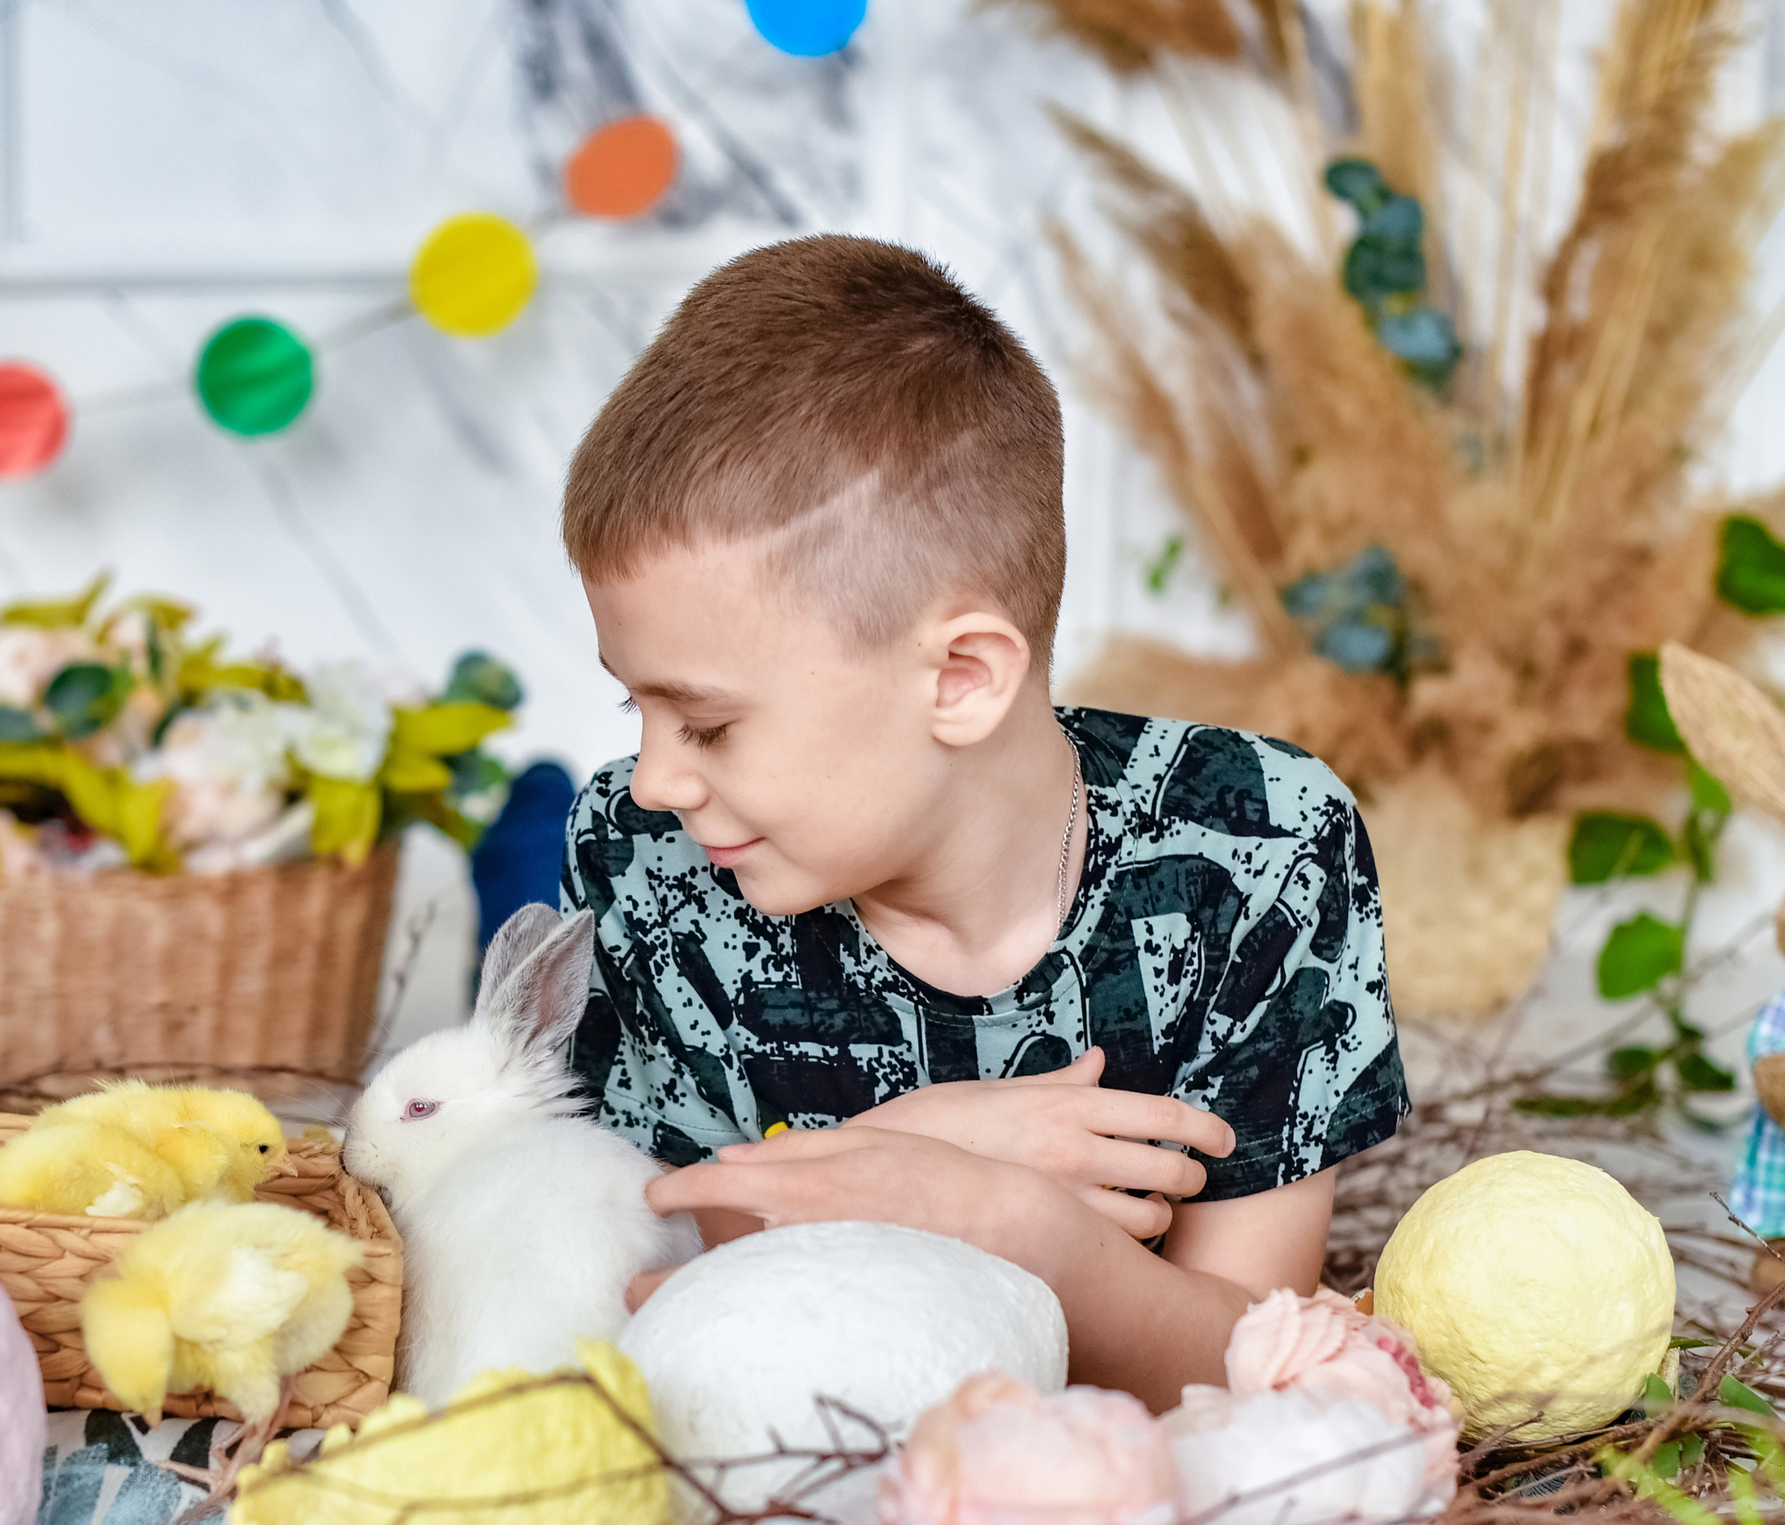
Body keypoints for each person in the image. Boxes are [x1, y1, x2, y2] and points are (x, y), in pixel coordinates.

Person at [557, 235, 1408, 1412]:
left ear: (960, 677)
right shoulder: (649, 863)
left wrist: (1009, 1223)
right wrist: (917, 1154)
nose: (653, 777)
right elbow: (634, 1285)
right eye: (632, 701)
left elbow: (1250, 1367)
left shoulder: (1256, 853)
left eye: (703, 723)